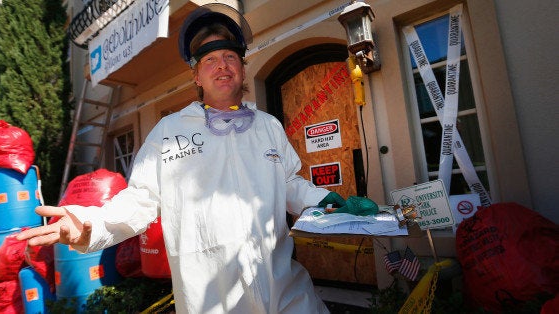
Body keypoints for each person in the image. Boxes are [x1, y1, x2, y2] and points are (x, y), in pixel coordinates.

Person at [17, 3, 350, 313]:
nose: (222, 66)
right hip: (214, 303)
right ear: (196, 76)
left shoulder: (267, 127)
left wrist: (326, 200)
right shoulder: (169, 133)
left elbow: (290, 184)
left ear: (243, 69)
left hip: (288, 295)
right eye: (209, 60)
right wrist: (93, 226)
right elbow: (141, 199)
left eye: (231, 57)